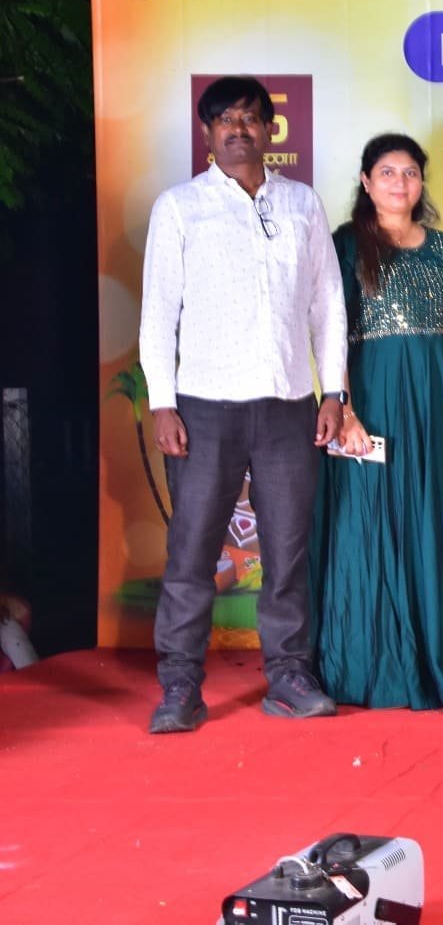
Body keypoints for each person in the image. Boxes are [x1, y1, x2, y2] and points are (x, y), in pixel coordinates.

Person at [139, 75, 346, 732]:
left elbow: (327, 305)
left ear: (270, 130)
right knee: (192, 553)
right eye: (224, 119)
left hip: (288, 405)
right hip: (204, 408)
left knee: (287, 553)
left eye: (250, 118)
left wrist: (334, 391)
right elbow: (157, 313)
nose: (238, 129)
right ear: (207, 133)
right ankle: (180, 686)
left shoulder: (301, 204)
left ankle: (289, 675)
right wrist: (162, 403)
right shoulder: (180, 207)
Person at [308, 134, 443, 713]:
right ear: (366, 182)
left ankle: (437, 660)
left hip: (433, 410)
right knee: (365, 526)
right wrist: (344, 407)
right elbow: (330, 334)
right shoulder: (345, 245)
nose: (400, 182)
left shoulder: (442, 249)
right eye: (388, 172)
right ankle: (368, 667)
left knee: (432, 525)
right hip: (368, 403)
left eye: (411, 173)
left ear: (422, 183)